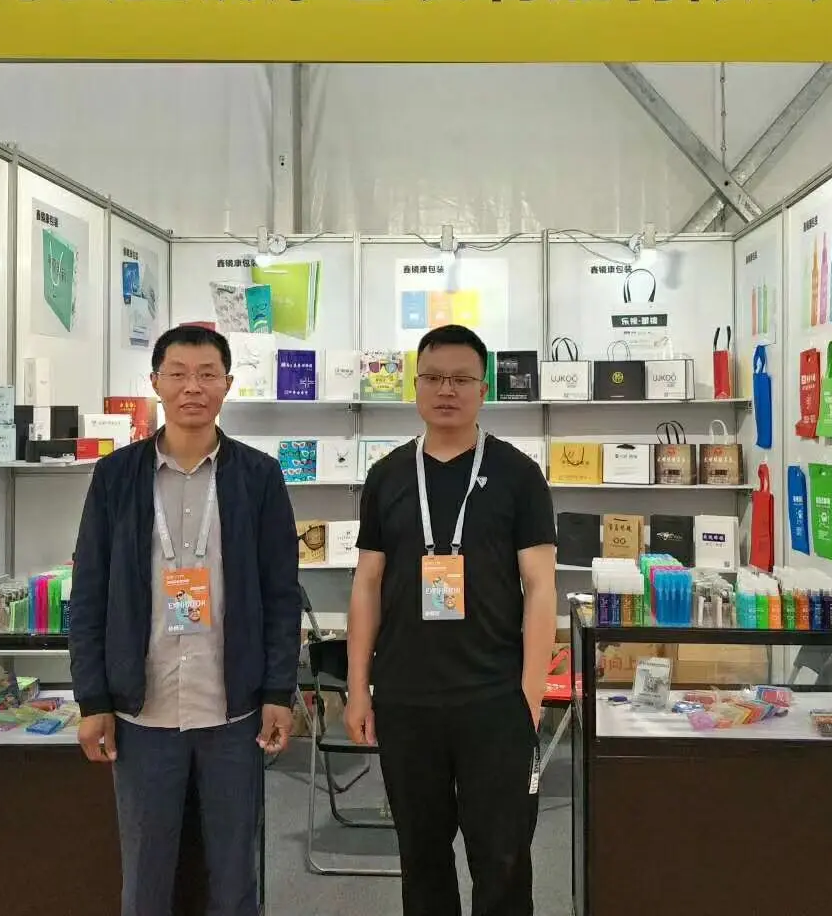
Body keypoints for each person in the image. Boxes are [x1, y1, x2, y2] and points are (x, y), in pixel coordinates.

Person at [69, 323, 300, 916]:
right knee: (146, 877)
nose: (192, 387)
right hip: (141, 712)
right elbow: (90, 593)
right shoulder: (116, 477)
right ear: (155, 383)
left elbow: (280, 594)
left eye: (206, 375)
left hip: (233, 709)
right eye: (177, 374)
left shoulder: (258, 476)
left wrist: (278, 691)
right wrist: (93, 699)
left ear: (227, 384)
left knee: (235, 875)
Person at [346, 323, 557, 916]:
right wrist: (359, 688)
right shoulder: (388, 475)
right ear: (415, 386)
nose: (447, 390)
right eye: (434, 378)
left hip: (494, 698)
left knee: (503, 859)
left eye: (461, 379)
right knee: (422, 859)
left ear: (483, 389)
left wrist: (530, 695)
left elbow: (542, 587)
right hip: (406, 698)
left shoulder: (518, 475)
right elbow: (366, 584)